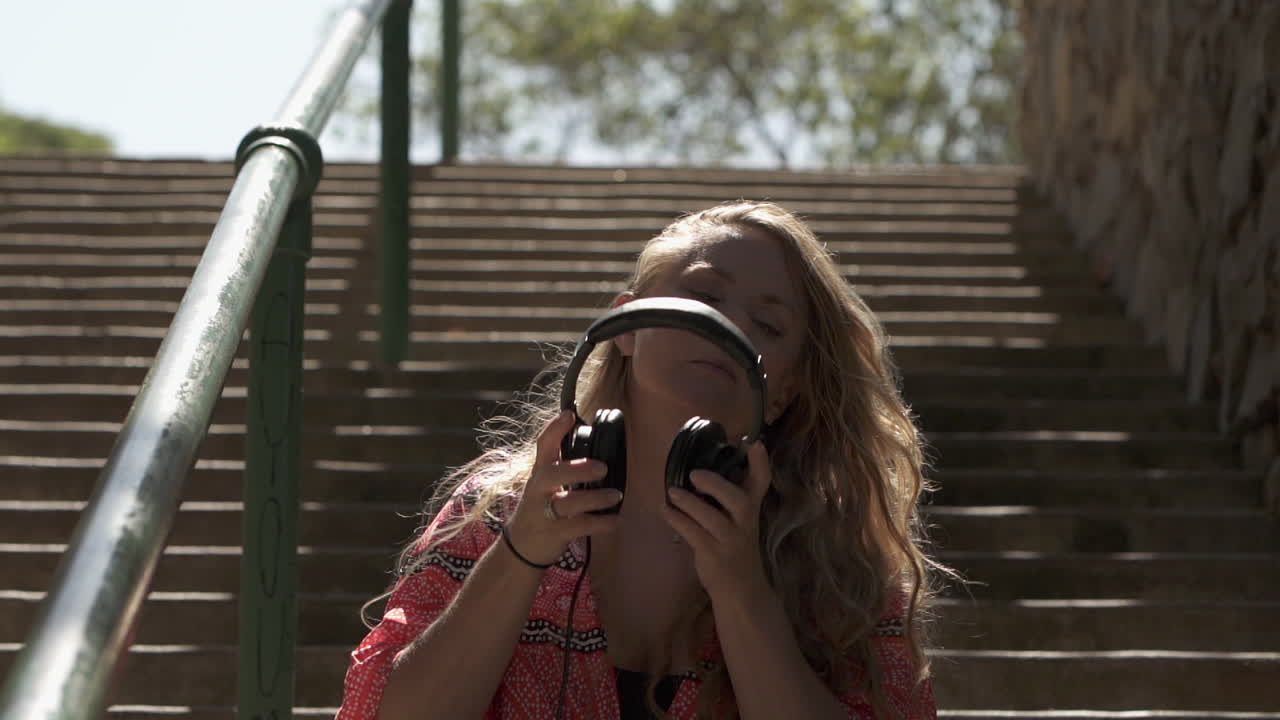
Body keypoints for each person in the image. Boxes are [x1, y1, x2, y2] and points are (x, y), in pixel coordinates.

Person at [335, 200, 939, 720]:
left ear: (784, 390)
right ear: (626, 325)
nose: (726, 324)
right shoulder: (494, 513)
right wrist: (520, 552)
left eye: (769, 324)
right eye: (703, 294)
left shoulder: (841, 565)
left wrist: (741, 591)